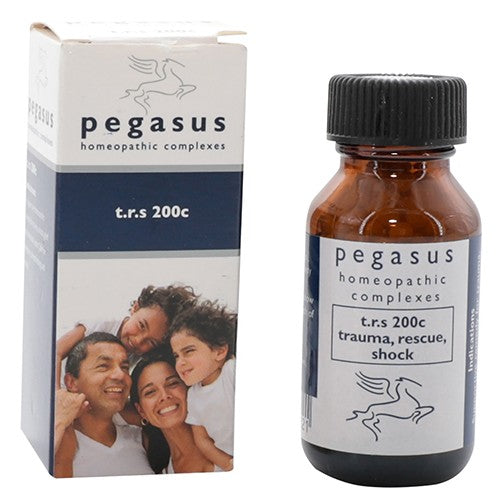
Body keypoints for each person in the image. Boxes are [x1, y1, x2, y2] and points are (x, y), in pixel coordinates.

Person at [54, 332, 154, 477]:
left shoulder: (140, 438)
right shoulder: (57, 444)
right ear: (71, 382)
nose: (120, 375)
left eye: (124, 367)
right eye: (103, 366)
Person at [55, 284, 197, 387]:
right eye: (141, 326)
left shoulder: (142, 355)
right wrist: (56, 393)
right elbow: (56, 351)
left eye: (151, 342)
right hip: (55, 383)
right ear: (135, 308)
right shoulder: (103, 324)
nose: (138, 340)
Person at [167, 301, 236, 472]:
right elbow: (202, 441)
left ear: (219, 351)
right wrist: (228, 464)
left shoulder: (231, 372)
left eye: (189, 351)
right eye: (176, 356)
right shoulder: (193, 395)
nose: (180, 362)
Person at [131, 351, 214, 473]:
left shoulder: (227, 436)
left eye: (172, 383)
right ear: (141, 411)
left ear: (188, 388)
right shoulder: (162, 472)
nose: (164, 396)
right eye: (150, 392)